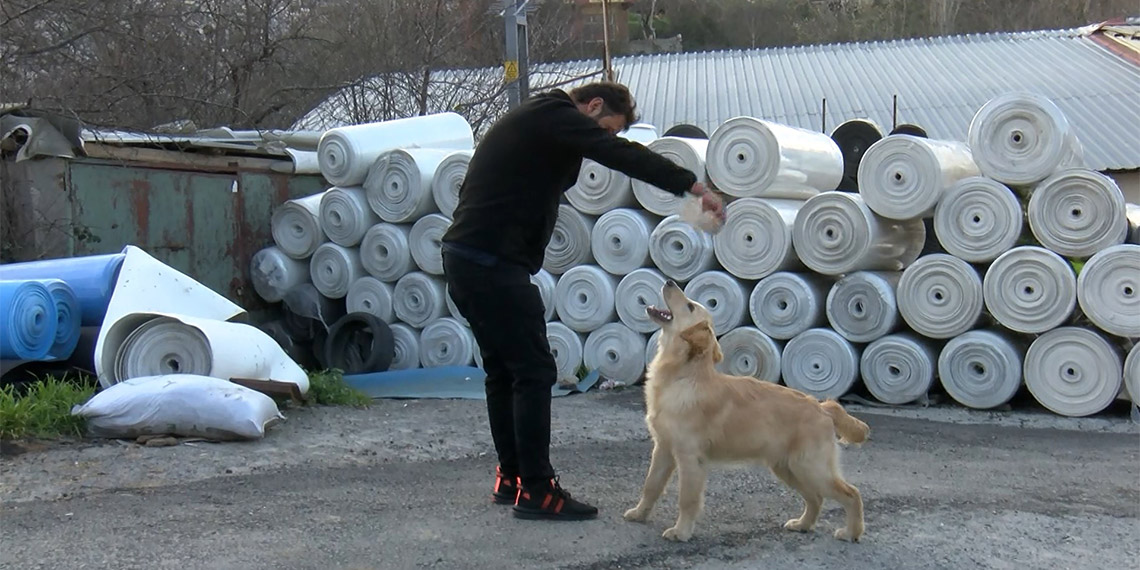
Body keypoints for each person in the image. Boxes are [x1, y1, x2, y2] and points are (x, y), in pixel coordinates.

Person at [441, 81, 725, 521]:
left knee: (505, 370)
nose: (605, 140)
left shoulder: (539, 120)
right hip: (490, 262)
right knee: (534, 370)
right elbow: (622, 155)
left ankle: (513, 477)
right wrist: (691, 185)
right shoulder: (555, 117)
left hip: (468, 256)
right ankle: (537, 489)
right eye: (607, 128)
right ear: (592, 106)